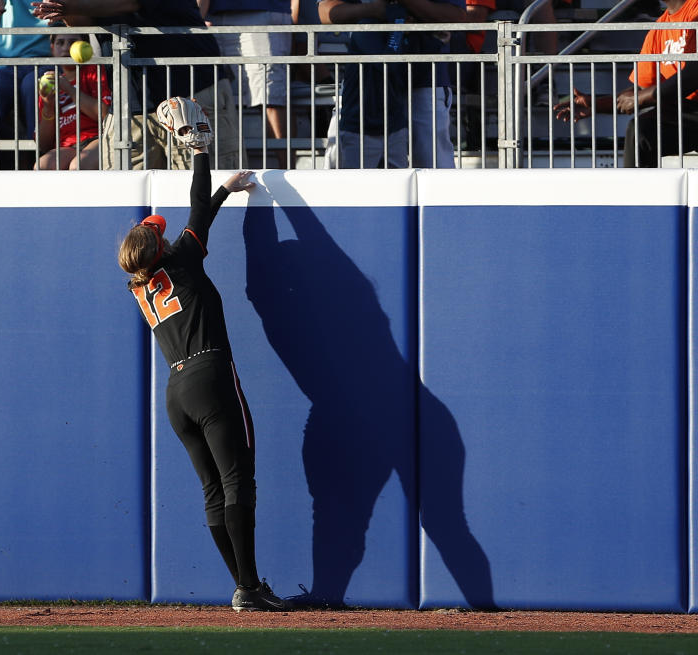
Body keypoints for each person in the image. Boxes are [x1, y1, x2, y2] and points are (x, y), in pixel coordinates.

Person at [117, 97, 285, 612]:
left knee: (214, 490)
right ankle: (250, 586)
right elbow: (195, 212)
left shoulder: (144, 281)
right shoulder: (182, 260)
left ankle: (246, 587)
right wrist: (199, 153)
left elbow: (197, 219)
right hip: (211, 374)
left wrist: (223, 191)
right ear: (160, 248)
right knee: (239, 481)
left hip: (175, 392)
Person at [31, 0, 240, 170]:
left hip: (191, 91)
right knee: (125, 199)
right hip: (129, 104)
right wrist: (61, 9)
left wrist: (70, 5)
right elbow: (82, 21)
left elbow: (130, 2)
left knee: (204, 189)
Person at [553, 0, 698, 168]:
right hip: (684, 111)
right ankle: (636, 193)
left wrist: (642, 98)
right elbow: (642, 88)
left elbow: (693, 74)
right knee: (641, 130)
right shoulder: (660, 27)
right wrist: (596, 104)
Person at [320, 0, 463, 169]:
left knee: (426, 173)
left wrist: (403, 10)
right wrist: (381, 13)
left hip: (423, 85)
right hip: (364, 109)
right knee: (349, 184)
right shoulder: (367, 28)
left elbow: (459, 16)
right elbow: (326, 12)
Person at [196, 0, 300, 168]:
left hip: (260, 12)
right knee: (219, 98)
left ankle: (287, 172)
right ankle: (229, 175)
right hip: (214, 17)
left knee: (269, 96)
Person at [0, 0, 50, 145]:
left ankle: (38, 161)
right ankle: (12, 159)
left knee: (33, 89)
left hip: (46, 62)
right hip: (7, 65)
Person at [35, 32, 111, 169]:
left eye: (72, 42)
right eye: (60, 42)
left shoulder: (96, 71)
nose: (66, 48)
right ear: (52, 48)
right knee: (42, 166)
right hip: (67, 145)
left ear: (85, 46)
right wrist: (48, 105)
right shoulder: (49, 84)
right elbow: (43, 144)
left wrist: (70, 89)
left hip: (98, 138)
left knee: (78, 166)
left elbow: (105, 115)